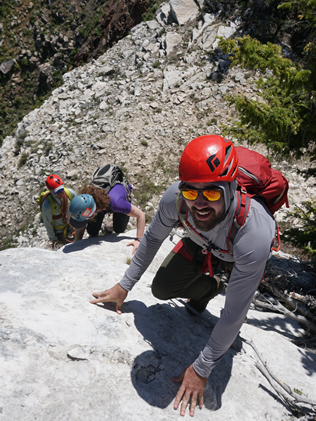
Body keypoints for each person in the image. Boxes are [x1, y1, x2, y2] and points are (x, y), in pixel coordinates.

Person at [89, 135, 277, 416]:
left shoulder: (255, 233)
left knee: (231, 304)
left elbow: (235, 312)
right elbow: (152, 238)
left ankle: (217, 279)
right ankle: (210, 286)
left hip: (237, 251)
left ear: (232, 187)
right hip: (203, 239)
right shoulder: (176, 198)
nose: (199, 203)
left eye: (211, 193)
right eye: (191, 192)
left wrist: (201, 370)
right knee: (161, 288)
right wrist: (124, 285)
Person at [69, 173, 145, 254]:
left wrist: (138, 240)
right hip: (100, 203)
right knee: (92, 231)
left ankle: (107, 228)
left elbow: (140, 215)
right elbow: (81, 222)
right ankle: (103, 229)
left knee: (119, 229)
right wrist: (77, 243)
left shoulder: (117, 204)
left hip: (116, 199)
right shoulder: (83, 202)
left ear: (93, 213)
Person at [41, 174, 76, 249]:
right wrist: (54, 240)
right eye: (57, 191)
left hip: (72, 228)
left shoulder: (70, 193)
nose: (61, 193)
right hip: (59, 234)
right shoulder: (47, 205)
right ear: (52, 192)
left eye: (61, 189)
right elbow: (48, 224)